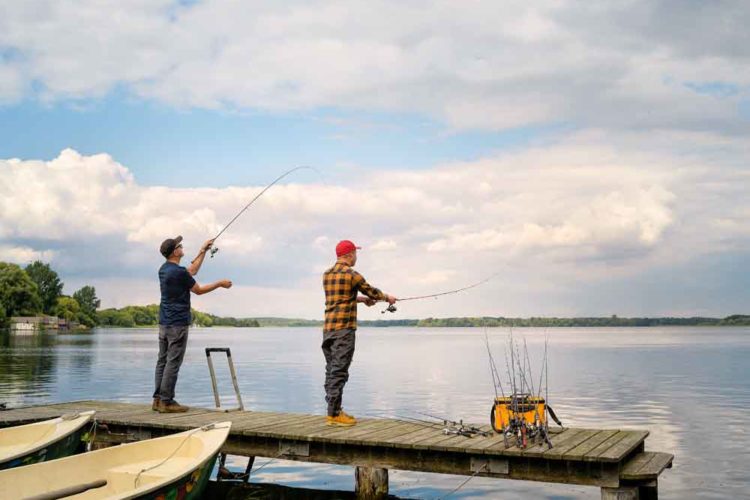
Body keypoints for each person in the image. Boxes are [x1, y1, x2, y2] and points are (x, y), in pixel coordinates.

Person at [153, 236, 232, 413]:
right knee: (173, 362)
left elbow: (192, 271)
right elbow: (198, 290)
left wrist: (202, 250)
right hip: (177, 324)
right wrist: (219, 283)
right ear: (175, 252)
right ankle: (167, 402)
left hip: (164, 323)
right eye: (179, 245)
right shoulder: (178, 272)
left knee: (162, 361)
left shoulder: (164, 270)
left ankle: (157, 400)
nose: (182, 246)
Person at [322, 240, 397, 426]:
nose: (356, 257)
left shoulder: (327, 274)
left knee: (331, 370)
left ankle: (335, 409)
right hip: (344, 331)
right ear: (349, 254)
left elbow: (341, 297)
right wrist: (388, 297)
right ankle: (333, 414)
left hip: (328, 330)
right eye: (355, 253)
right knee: (339, 371)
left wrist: (362, 300)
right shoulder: (352, 274)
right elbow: (372, 291)